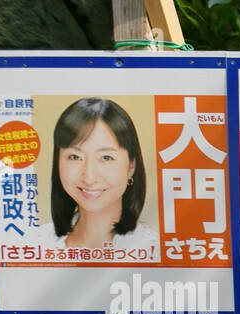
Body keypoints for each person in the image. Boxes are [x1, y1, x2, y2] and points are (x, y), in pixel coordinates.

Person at [46, 98, 158, 256]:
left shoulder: (154, 249)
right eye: (75, 157)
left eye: (106, 158)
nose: (89, 177)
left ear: (131, 166)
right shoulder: (35, 244)